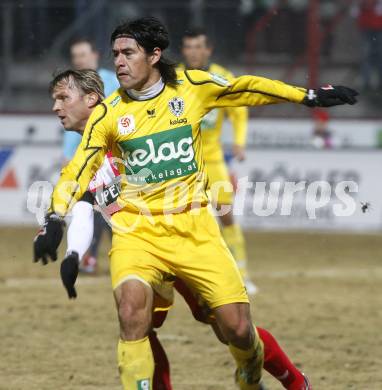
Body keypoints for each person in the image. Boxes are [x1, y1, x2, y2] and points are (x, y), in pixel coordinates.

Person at [34, 17, 357, 390]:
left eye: (128, 53)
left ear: (154, 55)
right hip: (138, 235)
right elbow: (77, 171)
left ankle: (256, 374)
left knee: (235, 329)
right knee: (132, 317)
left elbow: (245, 88)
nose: (119, 62)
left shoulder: (191, 87)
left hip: (195, 230)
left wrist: (308, 96)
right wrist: (54, 219)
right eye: (115, 55)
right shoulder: (108, 114)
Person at [51, 68, 312, 390]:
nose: (56, 107)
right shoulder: (85, 158)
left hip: (185, 237)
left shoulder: (126, 131)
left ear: (92, 100)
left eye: (63, 98)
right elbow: (83, 205)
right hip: (143, 248)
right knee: (138, 325)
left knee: (231, 328)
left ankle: (293, 381)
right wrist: (73, 253)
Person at [180, 27, 256, 295]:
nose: (193, 52)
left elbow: (239, 112)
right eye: (188, 47)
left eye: (198, 46)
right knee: (179, 219)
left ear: (208, 49)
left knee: (226, 215)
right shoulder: (174, 77)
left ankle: (242, 273)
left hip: (212, 159)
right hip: (180, 162)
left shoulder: (222, 77)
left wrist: (239, 141)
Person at [63, 38, 120, 273]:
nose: (79, 60)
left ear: (95, 55)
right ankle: (92, 256)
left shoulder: (114, 81)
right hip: (91, 156)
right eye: (75, 56)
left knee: (111, 206)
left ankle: (98, 255)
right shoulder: (71, 89)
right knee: (98, 203)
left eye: (83, 54)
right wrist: (68, 156)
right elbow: (72, 128)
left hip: (116, 153)